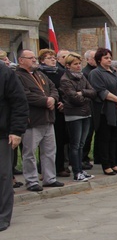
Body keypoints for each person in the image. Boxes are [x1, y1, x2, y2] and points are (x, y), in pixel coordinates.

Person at [15, 50, 63, 191]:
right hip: (32, 120)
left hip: (48, 118)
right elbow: (24, 95)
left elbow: (53, 88)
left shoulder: (40, 74)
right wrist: (45, 100)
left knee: (49, 151)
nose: (34, 60)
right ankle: (31, 180)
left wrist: (53, 98)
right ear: (21, 60)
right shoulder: (17, 76)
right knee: (29, 152)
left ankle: (49, 178)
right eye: (30, 58)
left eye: (34, 58)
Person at [88, 48, 117, 176]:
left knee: (114, 138)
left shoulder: (116, 72)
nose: (109, 60)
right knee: (105, 138)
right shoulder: (96, 73)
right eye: (106, 58)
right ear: (99, 60)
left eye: (110, 57)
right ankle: (106, 165)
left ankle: (113, 162)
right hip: (105, 111)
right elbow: (102, 91)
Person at [59, 53, 96, 182]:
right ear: (68, 66)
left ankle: (81, 169)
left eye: (79, 63)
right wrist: (85, 96)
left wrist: (83, 93)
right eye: (75, 64)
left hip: (86, 112)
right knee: (75, 144)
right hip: (74, 114)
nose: (78, 66)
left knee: (81, 143)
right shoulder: (65, 80)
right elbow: (74, 98)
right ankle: (76, 171)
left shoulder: (82, 77)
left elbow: (93, 92)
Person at [0, 59, 28, 230]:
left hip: (2, 134)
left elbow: (19, 102)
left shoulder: (5, 73)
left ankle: (3, 215)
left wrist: (16, 131)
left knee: (3, 175)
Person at [38, 49, 69, 177]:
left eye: (53, 58)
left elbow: (65, 89)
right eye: (49, 57)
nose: (52, 60)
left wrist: (63, 102)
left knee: (60, 139)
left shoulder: (61, 73)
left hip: (60, 109)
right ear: (42, 60)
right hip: (46, 109)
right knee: (45, 143)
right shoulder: (39, 73)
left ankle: (60, 166)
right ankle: (44, 169)